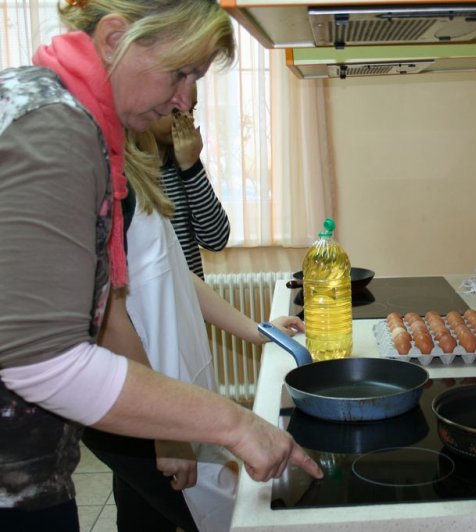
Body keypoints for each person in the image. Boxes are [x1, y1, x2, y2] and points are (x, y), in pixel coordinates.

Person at [0, 2, 321, 530]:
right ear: (114, 38)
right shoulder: (56, 130)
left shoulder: (60, 113)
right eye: (181, 71)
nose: (186, 98)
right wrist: (228, 423)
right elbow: (46, 356)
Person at [83, 129, 305, 532]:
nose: (184, 106)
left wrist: (256, 330)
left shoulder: (138, 165)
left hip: (161, 398)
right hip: (139, 404)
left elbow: (175, 273)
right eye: (179, 81)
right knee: (210, 515)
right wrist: (164, 428)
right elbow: (107, 321)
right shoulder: (98, 171)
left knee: (143, 513)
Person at [148, 82, 229, 279]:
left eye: (191, 108)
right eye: (176, 110)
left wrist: (191, 167)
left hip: (190, 303)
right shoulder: (130, 173)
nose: (188, 118)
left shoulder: (183, 162)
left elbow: (216, 239)